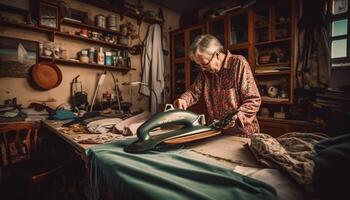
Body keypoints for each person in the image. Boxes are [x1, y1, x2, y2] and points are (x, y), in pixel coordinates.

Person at [173, 34, 261, 137]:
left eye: (204, 64)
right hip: (217, 132)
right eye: (199, 65)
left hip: (242, 134)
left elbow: (253, 99)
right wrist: (184, 100)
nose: (202, 68)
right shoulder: (205, 71)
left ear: (217, 54)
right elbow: (193, 92)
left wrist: (237, 117)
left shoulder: (238, 63)